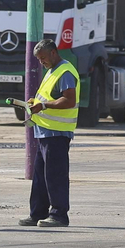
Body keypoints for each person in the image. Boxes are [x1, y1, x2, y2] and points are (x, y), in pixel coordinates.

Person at [20, 38, 78, 228]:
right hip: (44, 133)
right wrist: (35, 102)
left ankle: (59, 215)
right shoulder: (52, 70)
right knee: (40, 177)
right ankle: (38, 213)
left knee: (55, 176)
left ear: (53, 53)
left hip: (57, 134)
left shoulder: (65, 71)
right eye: (38, 59)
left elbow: (69, 100)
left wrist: (42, 105)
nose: (41, 62)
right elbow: (47, 97)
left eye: (43, 58)